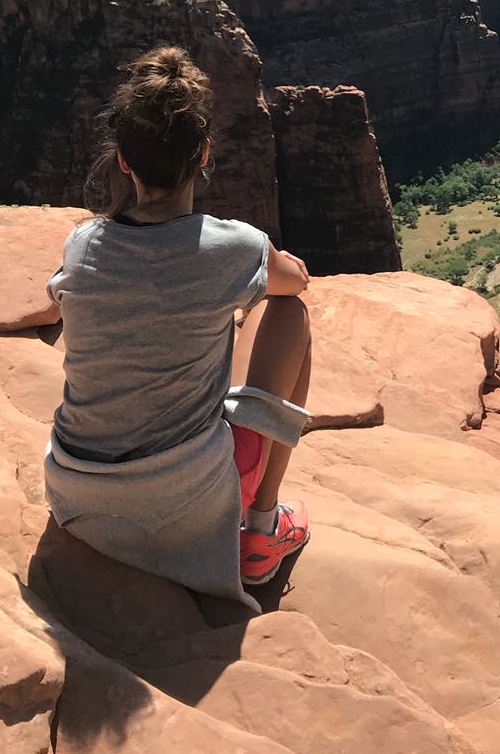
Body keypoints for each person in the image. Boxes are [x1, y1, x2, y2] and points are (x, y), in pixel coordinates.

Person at [42, 45, 313, 607]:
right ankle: (261, 532)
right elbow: (295, 280)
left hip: (76, 495)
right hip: (180, 504)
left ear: (123, 160)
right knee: (285, 312)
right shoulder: (232, 247)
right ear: (204, 154)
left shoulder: (82, 242)